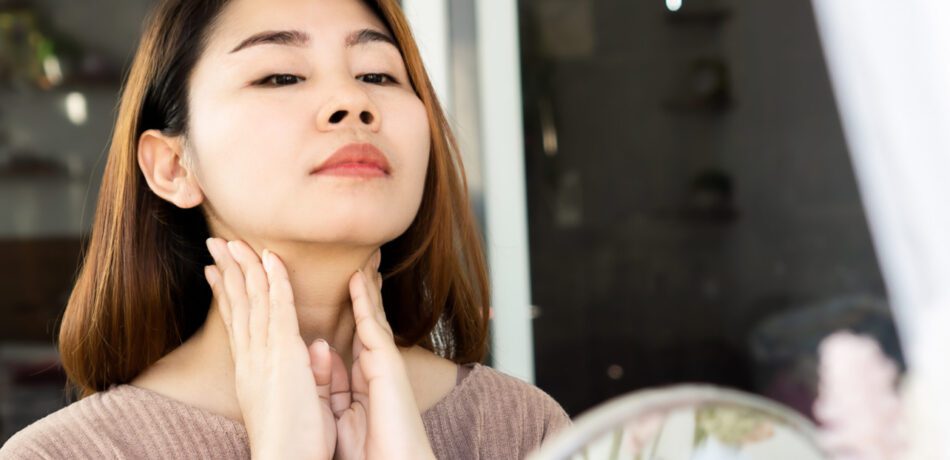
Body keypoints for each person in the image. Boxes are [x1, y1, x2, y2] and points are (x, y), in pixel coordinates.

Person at [0, 0, 570, 458]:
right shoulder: (71, 454)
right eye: (280, 76)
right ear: (172, 166)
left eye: (377, 74)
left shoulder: (524, 429)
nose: (353, 101)